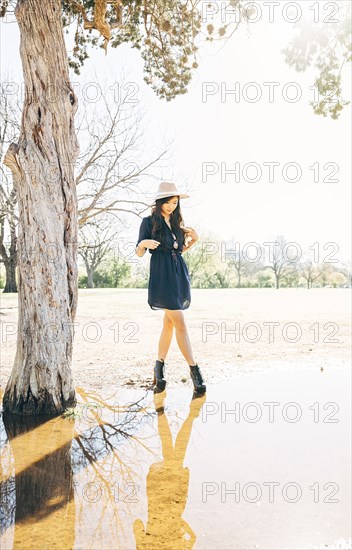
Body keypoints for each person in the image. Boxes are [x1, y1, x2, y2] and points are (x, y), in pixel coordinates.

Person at [135, 181, 206, 396]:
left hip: (178, 275)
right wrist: (143, 244)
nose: (171, 206)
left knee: (169, 325)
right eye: (167, 202)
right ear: (159, 202)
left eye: (175, 203)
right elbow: (138, 253)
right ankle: (195, 371)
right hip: (161, 276)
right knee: (180, 324)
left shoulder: (177, 224)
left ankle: (159, 367)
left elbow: (178, 250)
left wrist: (194, 240)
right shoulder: (148, 222)